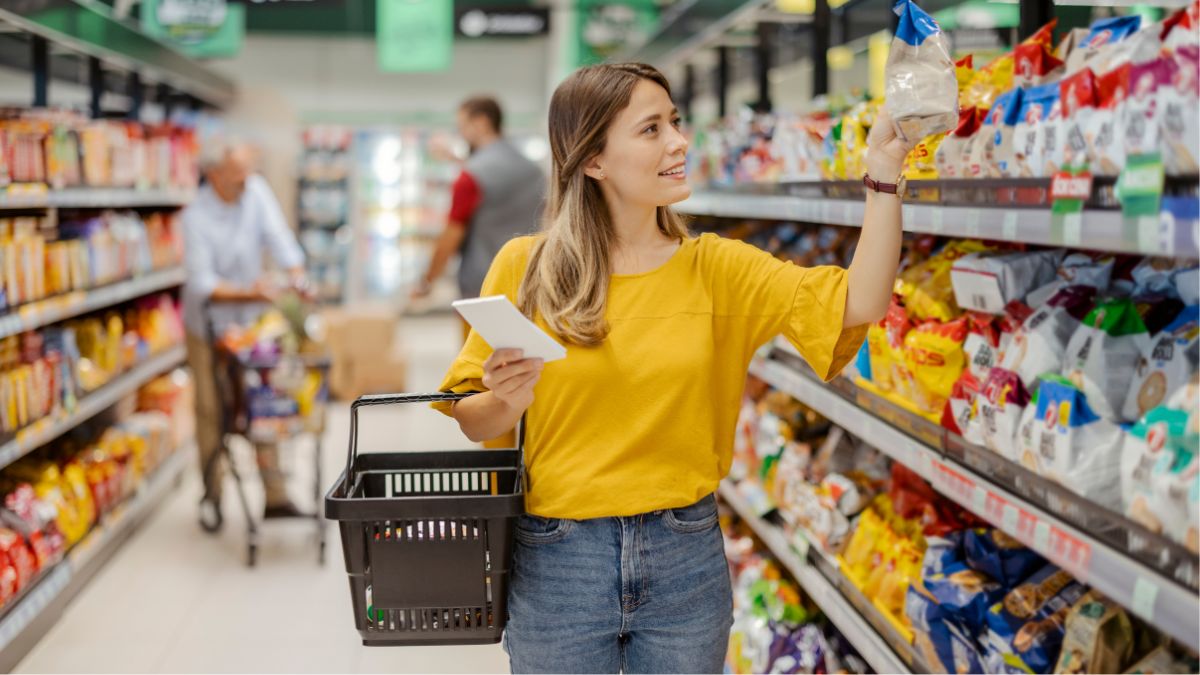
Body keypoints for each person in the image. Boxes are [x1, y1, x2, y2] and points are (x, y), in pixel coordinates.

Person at [434, 63, 915, 673]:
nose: (679, 142)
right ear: (593, 160)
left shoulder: (717, 269)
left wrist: (884, 175)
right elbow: (473, 420)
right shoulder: (529, 267)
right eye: (652, 129)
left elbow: (860, 301)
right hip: (559, 561)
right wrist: (506, 398)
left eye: (676, 123)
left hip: (684, 559)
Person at [181, 140, 311, 528]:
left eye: (247, 171)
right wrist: (252, 292)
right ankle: (212, 494)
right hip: (208, 328)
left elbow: (280, 239)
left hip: (252, 326)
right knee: (211, 410)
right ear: (214, 175)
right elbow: (203, 283)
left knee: (264, 401)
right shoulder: (195, 216)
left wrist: (297, 276)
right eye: (237, 173)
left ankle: (276, 495)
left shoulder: (254, 191)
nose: (246, 180)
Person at [413, 96, 545, 315]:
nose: (460, 133)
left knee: (477, 339)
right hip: (530, 282)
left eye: (462, 126)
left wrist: (427, 281)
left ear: (481, 123)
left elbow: (451, 234)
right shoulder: (534, 171)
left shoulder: (470, 177)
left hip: (482, 288)